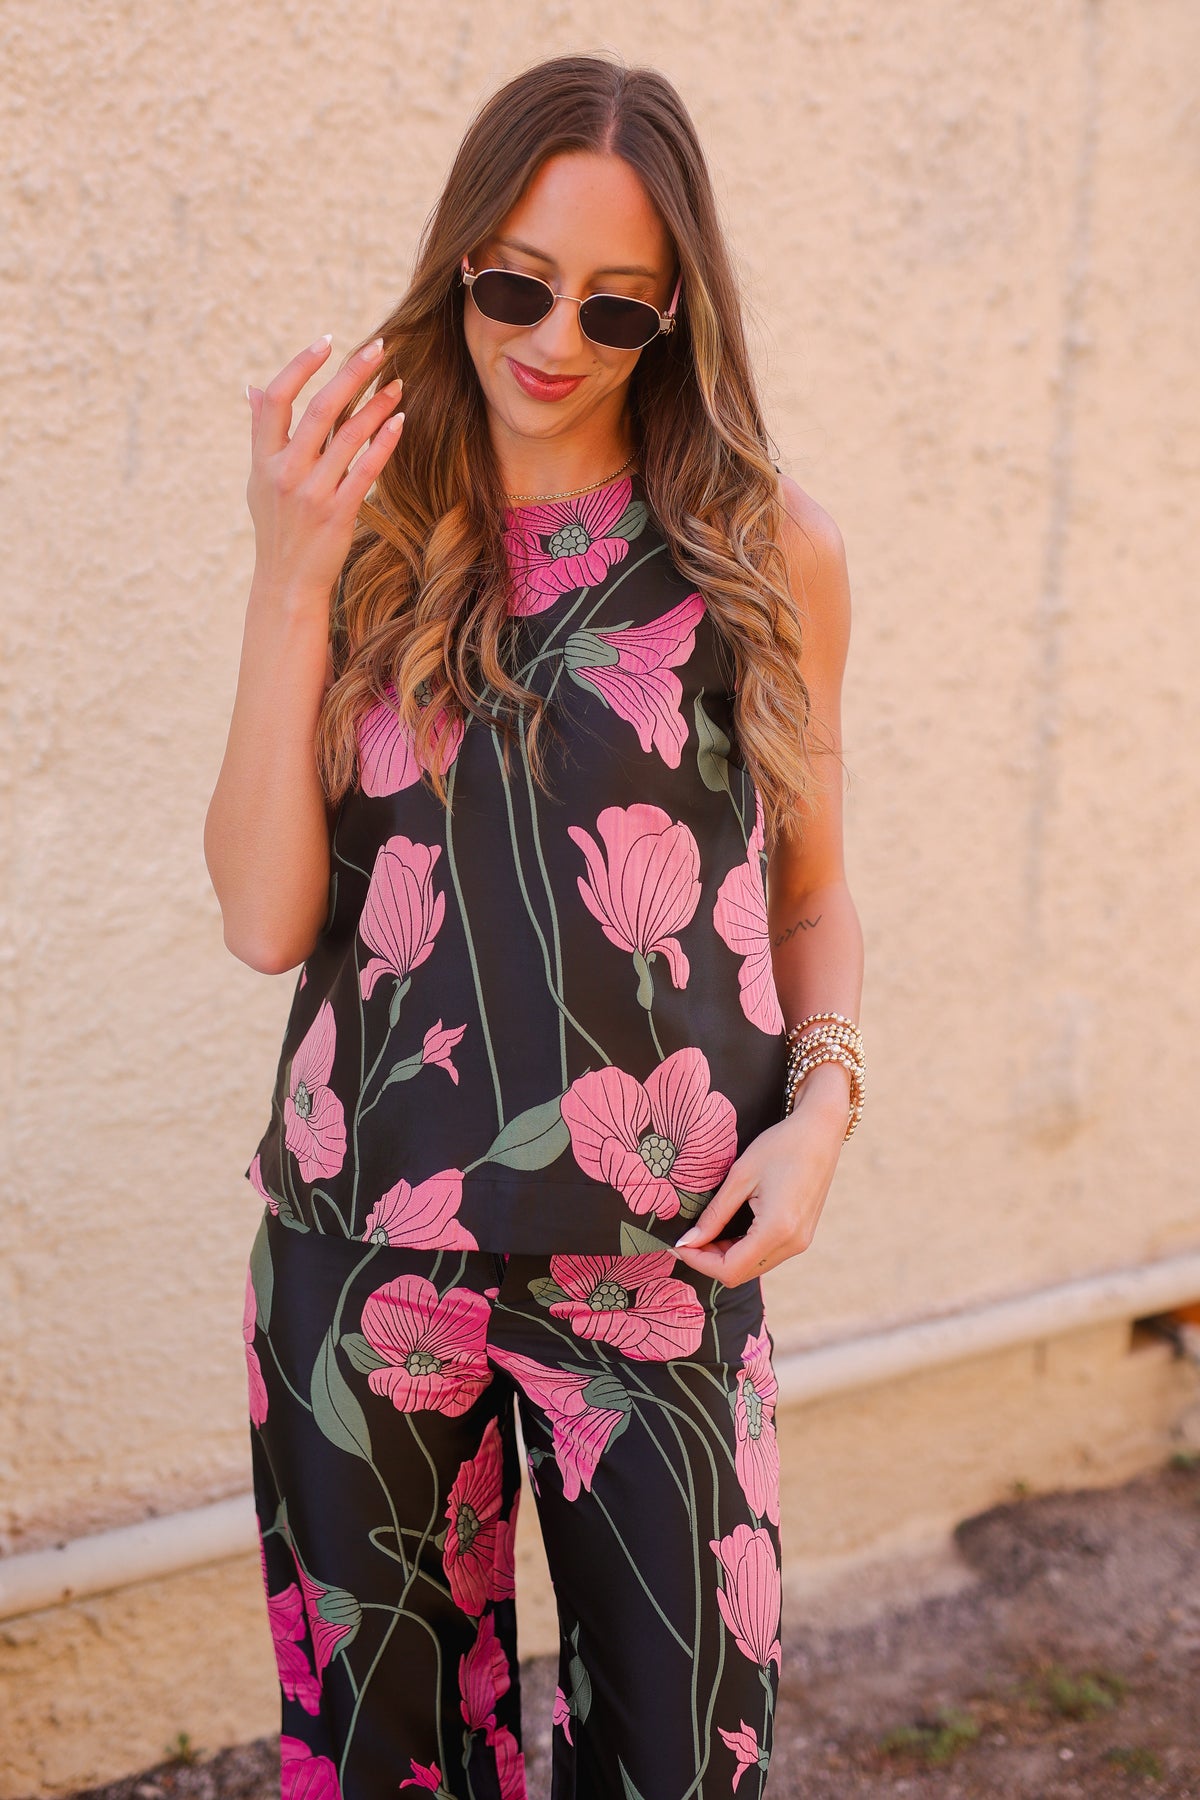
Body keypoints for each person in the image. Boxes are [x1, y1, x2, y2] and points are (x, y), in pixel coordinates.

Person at [204, 50, 864, 1800]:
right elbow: (270, 919)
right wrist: (286, 574)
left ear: (677, 314)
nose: (552, 337)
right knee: (386, 1767)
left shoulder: (763, 551)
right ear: (457, 266)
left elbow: (811, 885)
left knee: (685, 1756)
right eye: (513, 282)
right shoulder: (362, 530)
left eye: (614, 306)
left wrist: (824, 1114)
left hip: (666, 1263)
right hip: (367, 1254)